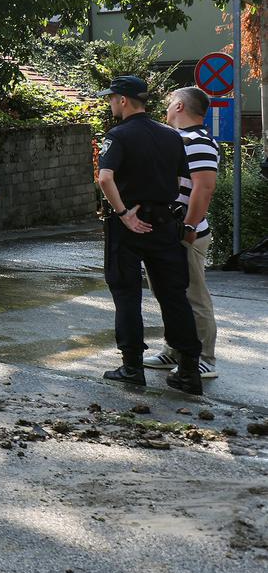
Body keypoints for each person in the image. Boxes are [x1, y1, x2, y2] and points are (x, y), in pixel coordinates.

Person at [94, 75, 204, 395]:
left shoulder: (118, 135)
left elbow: (105, 178)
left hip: (130, 227)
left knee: (127, 294)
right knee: (174, 297)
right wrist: (182, 222)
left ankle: (132, 368)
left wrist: (123, 213)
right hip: (165, 225)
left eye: (112, 98)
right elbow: (188, 183)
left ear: (124, 101)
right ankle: (187, 371)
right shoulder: (172, 136)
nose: (111, 103)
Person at [145, 86, 221, 380]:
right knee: (168, 293)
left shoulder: (198, 141)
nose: (165, 108)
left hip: (185, 231)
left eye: (168, 103)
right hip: (169, 229)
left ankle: (204, 357)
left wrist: (189, 226)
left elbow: (205, 187)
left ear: (178, 106)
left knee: (193, 295)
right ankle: (174, 349)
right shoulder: (179, 139)